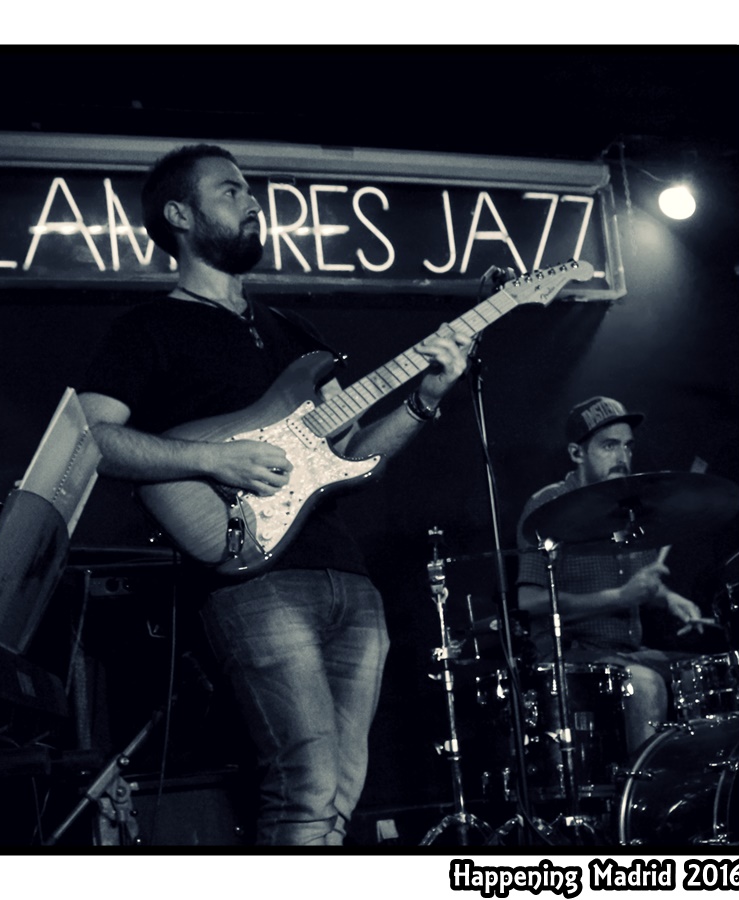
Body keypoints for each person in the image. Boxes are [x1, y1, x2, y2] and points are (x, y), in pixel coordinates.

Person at [76, 145, 473, 845]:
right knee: (306, 787)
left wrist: (427, 399)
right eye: (230, 191)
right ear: (179, 215)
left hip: (346, 575)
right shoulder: (146, 329)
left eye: (249, 189)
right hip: (253, 579)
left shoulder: (296, 336)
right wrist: (212, 460)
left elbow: (356, 455)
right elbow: (91, 440)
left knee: (339, 796)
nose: (252, 201)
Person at [514, 396, 703, 757]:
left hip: (629, 652)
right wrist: (619, 598)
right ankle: (642, 791)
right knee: (644, 685)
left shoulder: (631, 509)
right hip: (570, 656)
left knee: (711, 674)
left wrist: (668, 597)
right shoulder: (548, 506)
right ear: (577, 453)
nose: (622, 457)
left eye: (628, 446)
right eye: (609, 446)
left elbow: (638, 583)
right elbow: (529, 601)